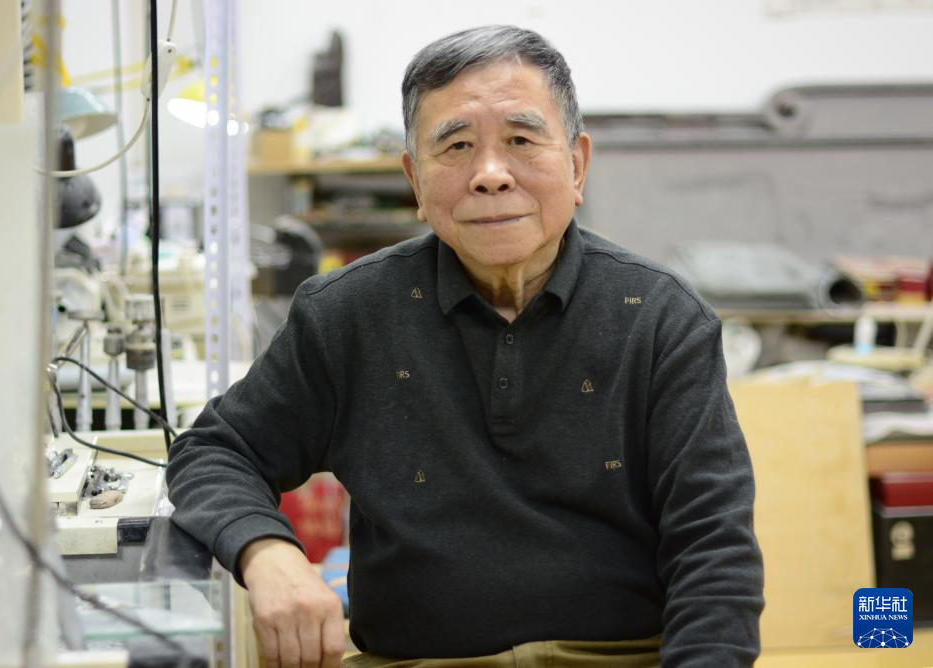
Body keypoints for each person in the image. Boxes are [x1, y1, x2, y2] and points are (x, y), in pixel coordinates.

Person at [167, 25, 764, 668]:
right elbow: (215, 451)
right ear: (415, 181)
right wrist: (268, 553)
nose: (490, 175)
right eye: (455, 146)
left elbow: (714, 551)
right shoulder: (347, 314)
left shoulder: (660, 317)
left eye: (521, 140)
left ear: (577, 164)